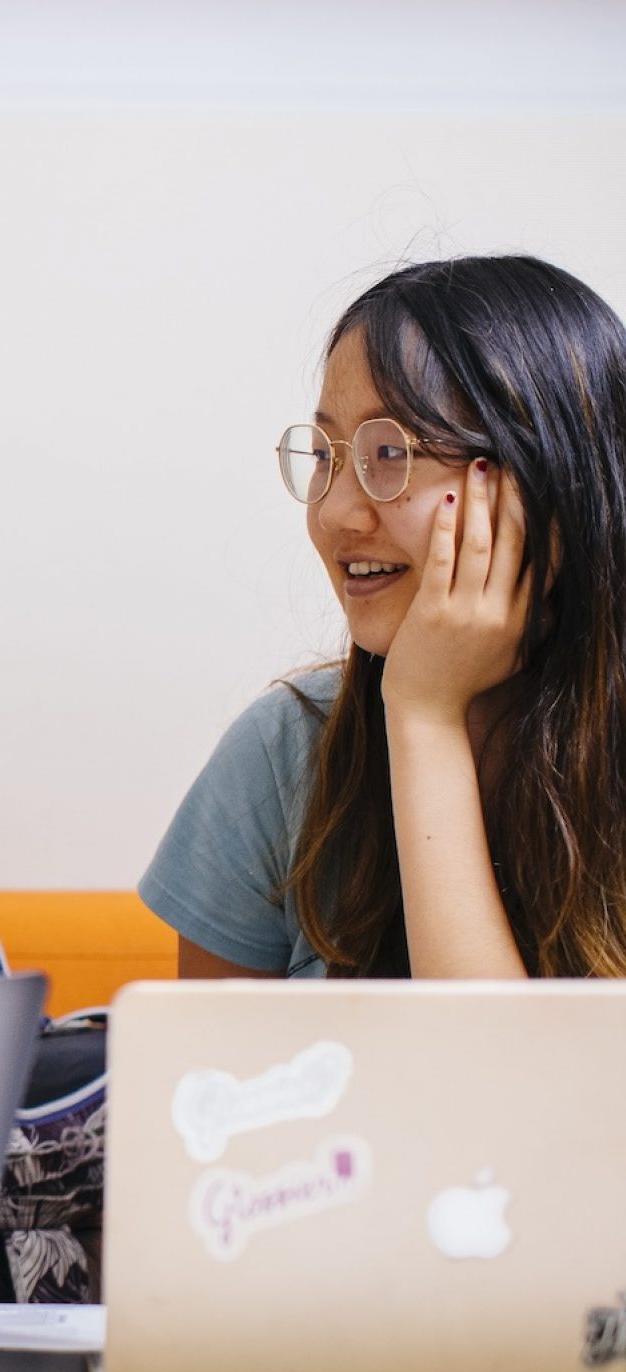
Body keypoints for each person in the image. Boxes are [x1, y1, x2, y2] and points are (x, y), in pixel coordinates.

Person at [143, 255, 626, 979]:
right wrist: (418, 709)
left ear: (550, 484)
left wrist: (425, 716)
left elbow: (487, 1083)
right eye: (327, 454)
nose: (335, 512)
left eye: (391, 453)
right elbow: (209, 1084)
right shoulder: (285, 753)